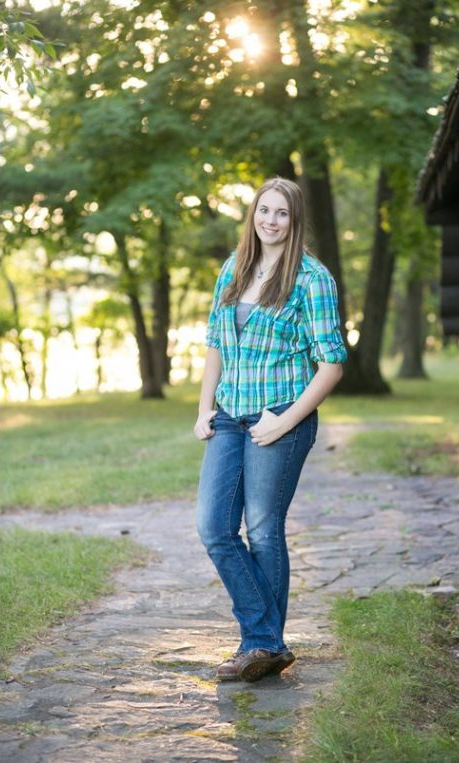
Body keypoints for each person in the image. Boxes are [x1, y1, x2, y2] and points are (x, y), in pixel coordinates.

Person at [193, 177, 346, 683]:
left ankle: (259, 645)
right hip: (230, 415)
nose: (271, 221)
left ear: (295, 220)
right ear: (253, 215)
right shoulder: (234, 268)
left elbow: (331, 364)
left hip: (281, 414)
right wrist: (203, 409)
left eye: (282, 213)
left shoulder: (311, 279)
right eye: (264, 211)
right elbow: (215, 342)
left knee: (262, 529)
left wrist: (286, 420)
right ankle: (268, 642)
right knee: (214, 528)